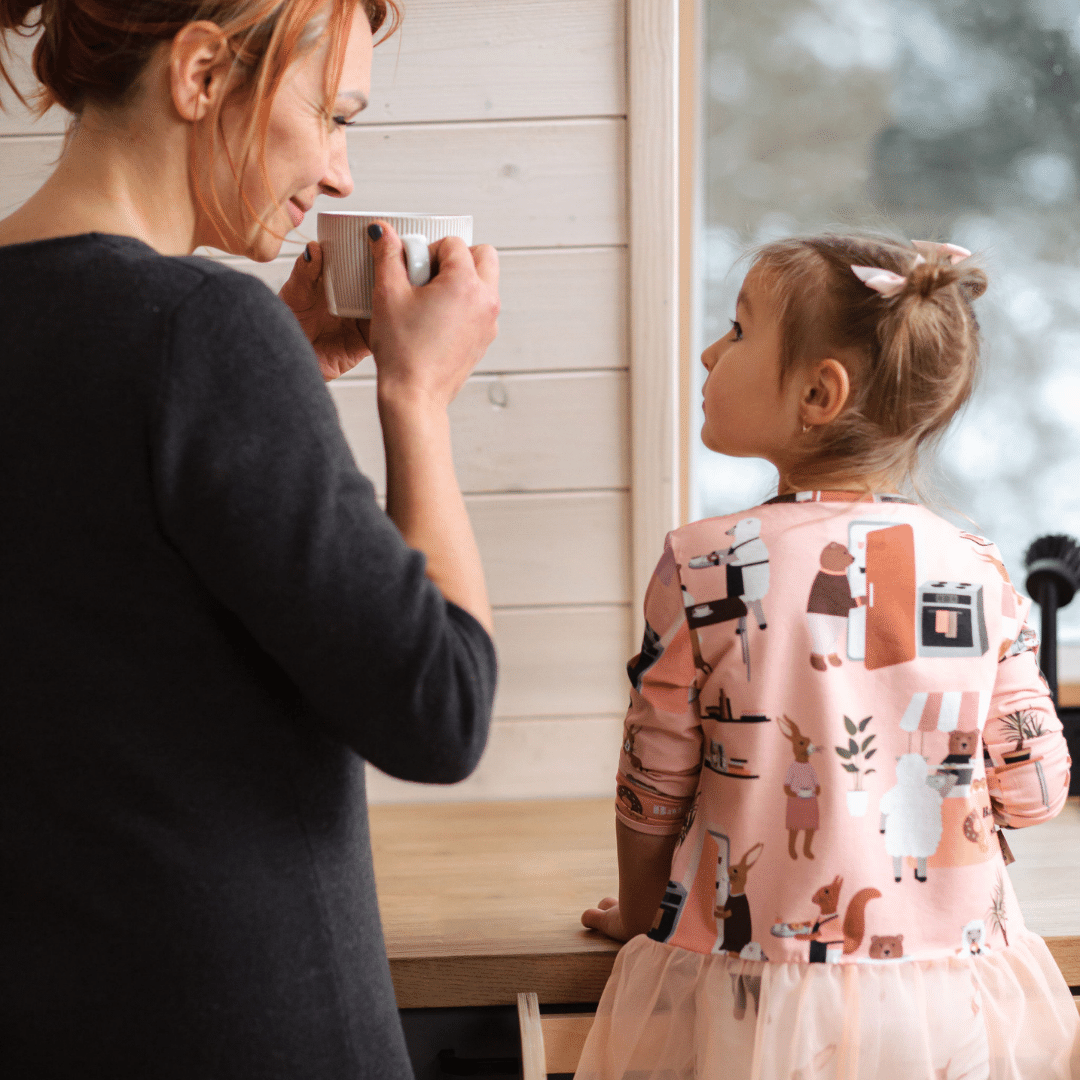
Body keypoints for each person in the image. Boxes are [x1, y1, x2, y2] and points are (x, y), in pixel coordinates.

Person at [0, 1, 501, 1076]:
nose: (338, 175)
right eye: (331, 114)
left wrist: (277, 367)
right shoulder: (203, 331)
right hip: (240, 1025)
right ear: (201, 72)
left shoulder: (201, 342)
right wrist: (417, 398)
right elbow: (440, 708)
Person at [576, 233, 1079, 1079]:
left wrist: (637, 913)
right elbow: (1034, 794)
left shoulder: (705, 563)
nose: (708, 351)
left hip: (754, 993)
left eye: (735, 331)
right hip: (949, 1001)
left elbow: (652, 782)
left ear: (818, 390)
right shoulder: (981, 567)